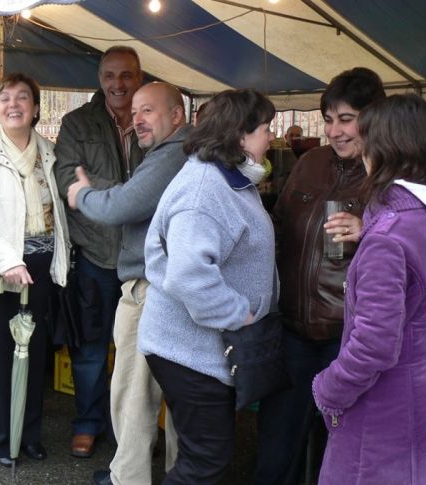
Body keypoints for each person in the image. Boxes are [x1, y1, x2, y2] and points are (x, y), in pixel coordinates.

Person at [313, 93, 426, 485]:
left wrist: (328, 389)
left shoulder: (387, 236)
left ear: (382, 152)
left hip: (386, 403)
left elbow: (375, 346)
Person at [138, 88, 278, 483]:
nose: (270, 136)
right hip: (188, 351)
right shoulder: (205, 189)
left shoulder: (225, 177)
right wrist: (240, 313)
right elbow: (188, 273)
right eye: (265, 128)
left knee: (203, 458)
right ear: (240, 136)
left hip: (201, 349)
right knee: (205, 463)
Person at [254, 67, 386, 485]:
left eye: (346, 119)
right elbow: (277, 223)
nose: (334, 130)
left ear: (374, 117)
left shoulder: (388, 175)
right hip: (292, 330)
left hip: (347, 338)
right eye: (328, 119)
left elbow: (414, 248)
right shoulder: (309, 162)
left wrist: (369, 231)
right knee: (277, 450)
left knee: (341, 452)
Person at [67, 81, 188, 485]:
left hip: (150, 290)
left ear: (177, 115)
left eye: (148, 111)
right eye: (135, 112)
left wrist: (83, 194)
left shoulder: (172, 154)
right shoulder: (174, 151)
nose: (137, 120)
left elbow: (123, 204)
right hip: (168, 289)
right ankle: (173, 474)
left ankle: (128, 477)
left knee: (134, 392)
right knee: (172, 396)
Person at [0, 73, 69, 467]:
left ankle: (30, 435)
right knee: (2, 353)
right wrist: (6, 260)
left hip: (42, 265)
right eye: (5, 97)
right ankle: (1, 436)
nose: (13, 105)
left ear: (36, 108)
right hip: (3, 269)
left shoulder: (48, 152)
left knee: (37, 351)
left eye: (22, 98)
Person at [54, 45, 145, 458]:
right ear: (100, 79)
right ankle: (88, 423)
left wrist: (100, 191)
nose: (117, 84)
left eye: (125, 76)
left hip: (143, 259)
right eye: (110, 76)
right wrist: (116, 198)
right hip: (95, 254)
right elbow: (64, 178)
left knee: (139, 351)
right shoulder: (78, 123)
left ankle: (132, 429)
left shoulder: (151, 120)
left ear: (139, 77)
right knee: (90, 348)